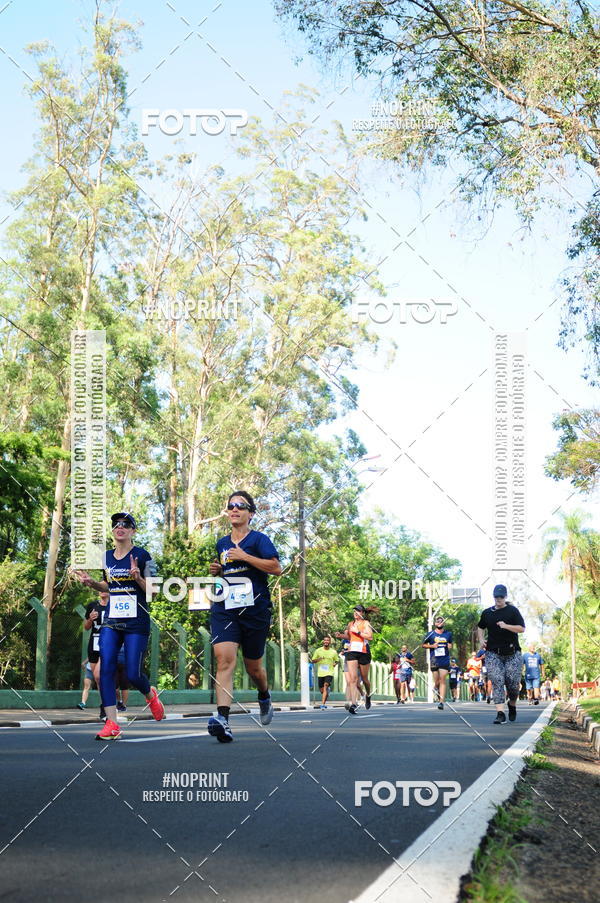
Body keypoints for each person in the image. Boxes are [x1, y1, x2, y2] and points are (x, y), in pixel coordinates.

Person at [74, 512, 165, 740]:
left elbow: (154, 590)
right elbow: (107, 585)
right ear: (112, 530)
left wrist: (138, 578)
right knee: (106, 670)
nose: (120, 527)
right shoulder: (106, 557)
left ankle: (150, 694)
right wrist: (92, 582)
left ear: (133, 531)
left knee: (133, 674)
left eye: (126, 524)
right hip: (112, 621)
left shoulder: (143, 555)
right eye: (116, 524)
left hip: (136, 622)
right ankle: (112, 723)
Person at [207, 491, 282, 742]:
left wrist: (245, 556)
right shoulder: (221, 544)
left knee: (254, 668)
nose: (234, 509)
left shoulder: (259, 540)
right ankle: (223, 720)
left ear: (251, 513)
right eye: (231, 506)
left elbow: (276, 568)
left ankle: (264, 696)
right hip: (226, 607)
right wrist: (219, 571)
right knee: (224, 660)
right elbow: (228, 572)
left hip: (255, 610)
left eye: (241, 506)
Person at [477, 584, 526, 724]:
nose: (498, 599)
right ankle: (500, 713)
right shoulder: (487, 613)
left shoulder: (512, 611)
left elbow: (522, 628)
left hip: (512, 653)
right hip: (493, 653)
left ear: (505, 597)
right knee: (497, 680)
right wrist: (481, 640)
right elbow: (480, 627)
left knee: (513, 684)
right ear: (493, 597)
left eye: (501, 597)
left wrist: (506, 626)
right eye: (496, 597)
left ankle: (512, 704)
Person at [336, 605, 375, 714]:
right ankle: (353, 703)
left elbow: (370, 637)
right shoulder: (350, 624)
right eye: (354, 610)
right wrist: (341, 636)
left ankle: (368, 695)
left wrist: (358, 632)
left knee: (365, 679)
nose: (355, 612)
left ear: (362, 613)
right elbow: (349, 637)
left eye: (358, 611)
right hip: (352, 651)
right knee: (353, 679)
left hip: (363, 652)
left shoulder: (365, 623)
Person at [422, 615, 453, 709]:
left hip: (444, 659)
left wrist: (449, 646)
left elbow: (450, 643)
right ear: (435, 623)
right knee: (437, 681)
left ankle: (441, 702)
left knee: (442, 679)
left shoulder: (448, 634)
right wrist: (432, 646)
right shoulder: (430, 634)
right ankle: (436, 687)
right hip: (434, 659)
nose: (439, 622)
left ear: (444, 623)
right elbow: (423, 645)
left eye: (441, 621)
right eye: (437, 621)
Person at [312, 636, 339, 708]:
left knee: (326, 685)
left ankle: (323, 704)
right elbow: (313, 660)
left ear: (330, 642)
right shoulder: (318, 651)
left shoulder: (333, 652)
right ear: (323, 642)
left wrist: (335, 664)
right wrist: (319, 659)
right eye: (325, 640)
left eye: (328, 640)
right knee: (322, 690)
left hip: (329, 672)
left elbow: (337, 660)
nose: (326, 641)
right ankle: (327, 692)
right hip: (320, 673)